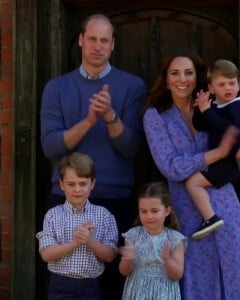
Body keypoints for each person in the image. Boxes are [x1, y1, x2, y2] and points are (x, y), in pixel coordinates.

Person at [143, 50, 240, 300]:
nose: (182, 79)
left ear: (197, 78)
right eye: (175, 73)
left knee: (231, 280)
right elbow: (170, 166)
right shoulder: (155, 116)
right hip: (189, 216)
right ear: (166, 79)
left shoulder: (217, 106)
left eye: (189, 73)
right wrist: (218, 153)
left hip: (228, 210)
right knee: (195, 283)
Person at [40, 14, 147, 299]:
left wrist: (110, 116)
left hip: (116, 198)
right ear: (80, 41)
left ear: (113, 45)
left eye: (104, 40)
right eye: (92, 39)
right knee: (66, 278)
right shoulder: (57, 88)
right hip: (67, 198)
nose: (97, 46)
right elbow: (51, 147)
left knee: (113, 284)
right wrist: (88, 121)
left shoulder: (132, 86)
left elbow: (133, 148)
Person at [36, 152, 119, 300]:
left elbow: (110, 256)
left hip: (91, 286)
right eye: (71, 184)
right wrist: (75, 242)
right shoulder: (53, 215)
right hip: (60, 285)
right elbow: (46, 254)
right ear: (61, 184)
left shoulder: (104, 215)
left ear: (92, 184)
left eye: (83, 183)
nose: (77, 189)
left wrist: (89, 241)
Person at [185, 59, 240, 240]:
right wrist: (200, 108)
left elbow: (227, 130)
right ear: (211, 88)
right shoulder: (216, 106)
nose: (228, 88)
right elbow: (200, 125)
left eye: (232, 83)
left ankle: (210, 218)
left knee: (193, 183)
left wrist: (207, 111)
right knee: (220, 195)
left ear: (238, 85)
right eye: (221, 84)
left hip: (228, 163)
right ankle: (237, 223)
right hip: (219, 162)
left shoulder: (238, 107)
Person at [119, 181, 187, 300]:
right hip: (137, 292)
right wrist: (127, 259)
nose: (149, 216)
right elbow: (124, 272)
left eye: (154, 211)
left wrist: (167, 260)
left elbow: (177, 275)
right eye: (143, 211)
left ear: (167, 211)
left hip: (164, 294)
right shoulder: (133, 235)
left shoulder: (175, 239)